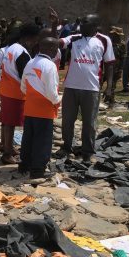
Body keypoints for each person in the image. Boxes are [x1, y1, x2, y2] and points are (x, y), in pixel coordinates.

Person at [51, 11, 115, 164]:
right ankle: (67, 147)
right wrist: (54, 26)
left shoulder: (104, 40)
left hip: (91, 88)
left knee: (90, 122)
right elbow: (55, 42)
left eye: (84, 22)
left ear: (94, 26)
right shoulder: (74, 38)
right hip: (71, 87)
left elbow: (110, 64)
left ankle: (88, 152)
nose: (80, 24)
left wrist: (109, 87)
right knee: (67, 120)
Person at [0, 23, 41, 164]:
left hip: (6, 88)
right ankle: (7, 154)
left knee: (6, 121)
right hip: (15, 92)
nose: (35, 44)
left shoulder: (11, 47)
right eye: (35, 40)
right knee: (10, 123)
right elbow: (25, 75)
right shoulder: (22, 53)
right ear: (28, 38)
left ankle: (5, 145)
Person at [19, 37, 61, 179]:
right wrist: (58, 100)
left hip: (30, 107)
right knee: (42, 141)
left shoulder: (30, 63)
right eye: (55, 49)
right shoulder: (49, 66)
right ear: (49, 49)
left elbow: (23, 86)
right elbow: (51, 91)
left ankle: (24, 164)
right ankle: (37, 169)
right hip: (44, 109)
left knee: (28, 137)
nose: (57, 51)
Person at [103, 26, 125, 106]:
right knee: (100, 82)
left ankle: (110, 99)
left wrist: (120, 69)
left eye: (116, 34)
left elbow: (122, 58)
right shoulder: (108, 42)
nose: (114, 35)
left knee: (112, 84)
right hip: (105, 66)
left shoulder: (122, 44)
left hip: (116, 67)